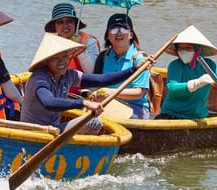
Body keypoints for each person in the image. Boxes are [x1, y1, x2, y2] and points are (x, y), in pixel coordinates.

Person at [21, 33, 149, 133]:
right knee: (94, 122)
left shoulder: (69, 75)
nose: (62, 62)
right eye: (56, 58)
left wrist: (135, 69)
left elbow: (102, 79)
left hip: (54, 128)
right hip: (34, 131)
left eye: (64, 56)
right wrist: (83, 103)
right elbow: (48, 102)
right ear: (46, 61)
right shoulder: (39, 78)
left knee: (95, 121)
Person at [157, 25, 217, 119]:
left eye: (188, 48)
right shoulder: (175, 65)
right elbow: (172, 88)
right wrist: (196, 83)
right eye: (180, 48)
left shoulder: (209, 65)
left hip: (199, 115)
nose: (183, 51)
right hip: (173, 114)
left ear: (198, 49)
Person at [92, 13, 151, 119]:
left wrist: (110, 92)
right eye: (114, 29)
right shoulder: (103, 57)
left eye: (124, 29)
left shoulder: (140, 59)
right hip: (108, 104)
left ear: (131, 34)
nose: (119, 33)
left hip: (135, 107)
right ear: (108, 36)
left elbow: (139, 93)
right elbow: (96, 84)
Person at [45, 3, 100, 74]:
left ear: (75, 23)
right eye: (60, 22)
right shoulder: (50, 44)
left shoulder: (89, 41)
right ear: (54, 26)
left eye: (69, 21)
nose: (65, 25)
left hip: (83, 80)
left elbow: (92, 72)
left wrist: (80, 50)